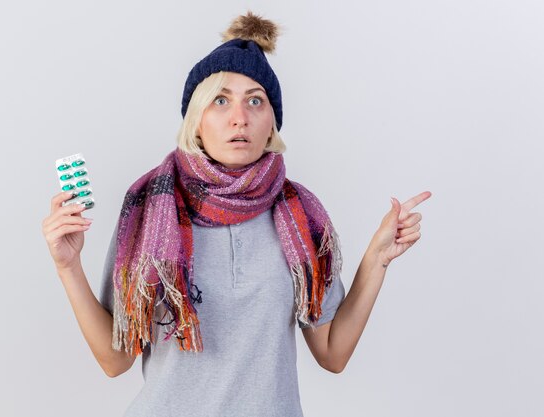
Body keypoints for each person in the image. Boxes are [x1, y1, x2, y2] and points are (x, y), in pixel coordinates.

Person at [42, 11, 431, 417]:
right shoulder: (150, 207)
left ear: (271, 126)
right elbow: (114, 360)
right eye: (221, 99)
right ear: (196, 123)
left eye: (255, 101)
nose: (239, 117)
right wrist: (68, 267)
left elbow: (332, 352)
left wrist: (376, 260)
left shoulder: (300, 215)